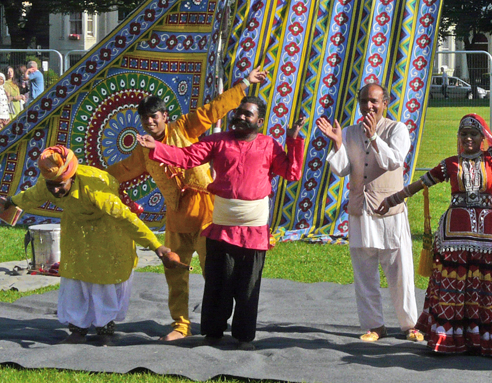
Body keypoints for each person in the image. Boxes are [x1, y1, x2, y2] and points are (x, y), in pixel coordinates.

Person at [374, 72, 492, 356]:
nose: (467, 138)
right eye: (463, 133)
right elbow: (420, 183)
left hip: (487, 232)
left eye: (473, 134)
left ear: (482, 137)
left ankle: (490, 338)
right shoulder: (450, 164)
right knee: (454, 284)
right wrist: (392, 199)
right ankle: (450, 338)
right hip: (454, 234)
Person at [106, 67, 268, 341]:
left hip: (208, 216)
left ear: (164, 117)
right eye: (145, 119)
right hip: (176, 218)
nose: (149, 122)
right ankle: (181, 325)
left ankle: (217, 323)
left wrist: (244, 83)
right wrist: (86, 175)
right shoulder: (144, 148)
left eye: (153, 117)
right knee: (174, 273)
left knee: (216, 275)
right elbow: (122, 170)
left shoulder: (184, 127)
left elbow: (213, 109)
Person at [136, 93, 305, 350]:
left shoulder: (269, 145)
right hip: (221, 227)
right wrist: (157, 148)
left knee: (248, 287)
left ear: (259, 121)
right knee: (218, 283)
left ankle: (243, 337)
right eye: (238, 112)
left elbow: (292, 172)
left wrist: (293, 140)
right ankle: (213, 333)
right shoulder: (218, 141)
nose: (240, 116)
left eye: (247, 114)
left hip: (254, 230)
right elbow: (186, 158)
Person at [0, 146, 172, 344]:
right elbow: (31, 196)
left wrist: (156, 246)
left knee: (104, 279)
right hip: (77, 232)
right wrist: (10, 201)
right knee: (75, 277)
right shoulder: (48, 183)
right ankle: (77, 330)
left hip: (109, 232)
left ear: (72, 178)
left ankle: (105, 329)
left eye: (60, 185)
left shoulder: (95, 188)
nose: (55, 190)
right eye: (51, 186)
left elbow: (125, 218)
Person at [315, 83, 423, 343]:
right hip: (359, 211)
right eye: (364, 101)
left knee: (400, 271)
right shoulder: (351, 132)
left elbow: (393, 161)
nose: (369, 106)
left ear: (386, 102)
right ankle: (375, 326)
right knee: (364, 272)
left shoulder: (397, 129)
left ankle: (410, 325)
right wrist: (338, 144)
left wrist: (374, 137)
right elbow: (341, 170)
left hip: (391, 213)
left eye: (374, 101)